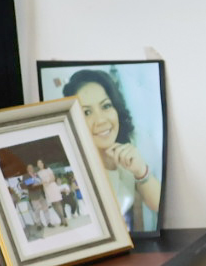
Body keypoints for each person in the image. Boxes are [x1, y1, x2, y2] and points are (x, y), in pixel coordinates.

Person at [65, 68, 161, 232]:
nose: (101, 120)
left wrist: (140, 171)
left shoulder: (131, 140)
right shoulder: (76, 161)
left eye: (106, 106)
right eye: (87, 112)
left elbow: (159, 204)